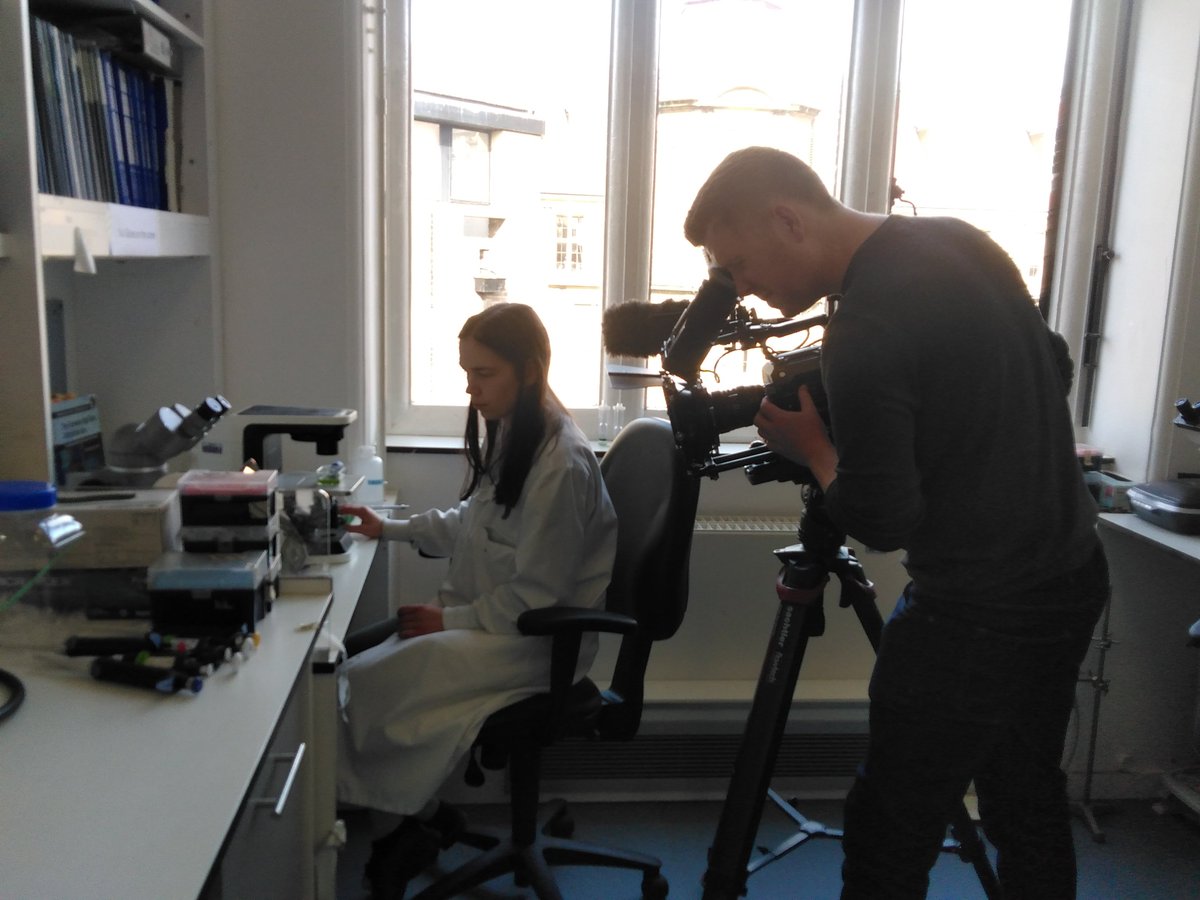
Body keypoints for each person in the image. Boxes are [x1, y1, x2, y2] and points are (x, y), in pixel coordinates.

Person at [684, 146, 1109, 899]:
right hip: (1071, 570)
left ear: (788, 219)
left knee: (890, 828)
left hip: (973, 609)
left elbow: (883, 517)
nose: (741, 288)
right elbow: (1049, 363)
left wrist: (814, 450)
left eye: (739, 264)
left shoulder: (866, 327)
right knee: (1027, 796)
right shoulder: (959, 240)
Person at [336, 302, 617, 899]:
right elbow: (474, 522)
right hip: (499, 624)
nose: (473, 389)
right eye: (468, 374)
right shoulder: (518, 433)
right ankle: (413, 821)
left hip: (538, 642)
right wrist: (387, 528)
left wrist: (447, 619)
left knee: (364, 679)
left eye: (485, 374)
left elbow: (538, 594)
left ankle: (405, 828)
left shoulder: (561, 463)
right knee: (358, 671)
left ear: (530, 369)